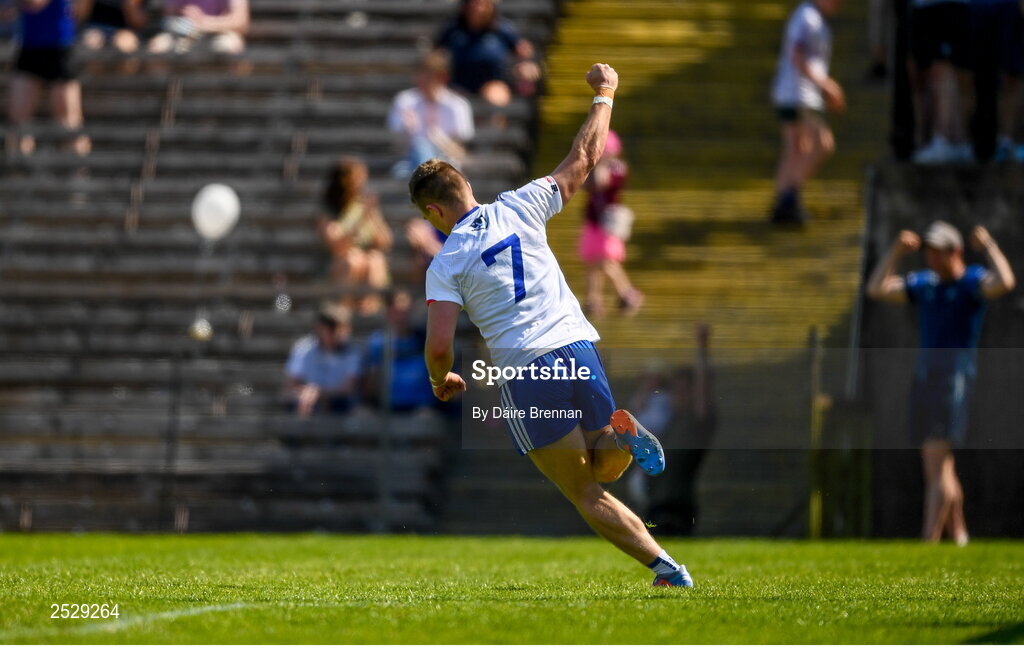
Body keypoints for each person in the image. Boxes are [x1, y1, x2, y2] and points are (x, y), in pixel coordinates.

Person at [414, 63, 694, 588]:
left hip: (526, 367)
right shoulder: (521, 204)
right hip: (577, 343)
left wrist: (441, 378)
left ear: (434, 211)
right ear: (467, 185)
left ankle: (668, 569)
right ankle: (624, 440)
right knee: (605, 466)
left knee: (582, 489)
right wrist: (605, 93)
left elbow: (438, 345)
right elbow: (585, 159)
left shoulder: (446, 262)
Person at [866, 222, 1015, 544]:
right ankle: (959, 536)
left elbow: (1005, 281)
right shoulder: (925, 284)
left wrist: (988, 244)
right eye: (928, 253)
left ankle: (928, 540)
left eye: (938, 253)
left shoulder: (971, 283)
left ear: (956, 252)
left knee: (935, 467)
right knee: (942, 467)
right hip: (925, 379)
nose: (932, 259)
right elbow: (876, 288)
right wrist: (894, 251)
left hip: (952, 381)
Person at [770, 0, 845, 224]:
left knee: (795, 150)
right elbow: (797, 54)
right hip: (800, 94)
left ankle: (783, 205)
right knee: (822, 144)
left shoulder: (810, 17)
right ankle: (788, 196)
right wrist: (825, 85)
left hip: (793, 92)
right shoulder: (807, 17)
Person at [647, 323, 717, 536]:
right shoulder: (670, 418)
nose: (677, 395)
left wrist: (702, 347)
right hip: (655, 503)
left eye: (683, 390)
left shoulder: (697, 420)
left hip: (676, 506)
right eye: (674, 390)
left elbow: (703, 389)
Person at [6, 0, 91, 156]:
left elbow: (35, 3)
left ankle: (79, 174)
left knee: (69, 121)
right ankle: (20, 172)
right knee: (18, 121)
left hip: (60, 46)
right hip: (30, 46)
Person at [578, 129, 642, 318]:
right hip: (593, 220)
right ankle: (593, 300)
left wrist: (602, 163)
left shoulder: (618, 168)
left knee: (606, 260)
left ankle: (627, 292)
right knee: (592, 262)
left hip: (608, 222)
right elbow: (585, 185)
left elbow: (602, 182)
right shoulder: (593, 167)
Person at [317, 157, 393, 316]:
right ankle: (344, 310)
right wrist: (360, 220)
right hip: (336, 264)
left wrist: (371, 215)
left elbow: (385, 243)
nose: (362, 183)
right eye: (358, 178)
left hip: (365, 260)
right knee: (353, 260)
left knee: (375, 260)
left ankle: (370, 311)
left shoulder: (364, 207)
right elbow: (337, 246)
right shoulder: (330, 210)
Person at [434, 0, 541, 107]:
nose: (476, 8)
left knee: (496, 98)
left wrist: (526, 66)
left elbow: (523, 50)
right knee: (450, 101)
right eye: (472, 3)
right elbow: (435, 55)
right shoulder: (452, 29)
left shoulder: (502, 29)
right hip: (458, 84)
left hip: (492, 83)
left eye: (481, 4)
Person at [388, 50, 475, 179]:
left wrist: (436, 137)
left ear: (443, 77)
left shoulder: (457, 105)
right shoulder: (405, 101)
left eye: (429, 76)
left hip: (447, 163)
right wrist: (408, 131)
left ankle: (427, 179)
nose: (422, 80)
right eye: (421, 75)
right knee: (406, 165)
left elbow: (459, 151)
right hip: (410, 164)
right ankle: (428, 179)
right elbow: (397, 147)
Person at [908, 0, 973, 164]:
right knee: (921, 75)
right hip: (923, 8)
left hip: (948, 7)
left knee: (944, 71)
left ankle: (946, 139)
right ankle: (938, 140)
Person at [361, 290, 437, 414]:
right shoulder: (376, 343)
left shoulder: (426, 340)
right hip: (385, 405)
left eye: (405, 311)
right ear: (388, 313)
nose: (401, 317)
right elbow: (369, 383)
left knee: (426, 418)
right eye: (396, 312)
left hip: (421, 405)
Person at [967, 0, 1024, 162]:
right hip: (977, 9)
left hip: (1010, 8)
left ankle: (1007, 140)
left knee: (1012, 75)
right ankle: (980, 143)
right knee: (980, 78)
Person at [284, 302, 362, 418]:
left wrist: (320, 394)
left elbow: (349, 388)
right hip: (310, 402)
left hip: (342, 404)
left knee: (360, 413)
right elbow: (290, 385)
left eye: (336, 326)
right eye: (327, 325)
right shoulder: (303, 348)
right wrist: (306, 393)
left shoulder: (354, 352)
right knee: (302, 405)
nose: (332, 331)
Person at [148, 0, 248, 55]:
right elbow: (169, 17)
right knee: (158, 46)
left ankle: (231, 92)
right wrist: (187, 22)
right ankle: (166, 92)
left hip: (219, 33)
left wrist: (204, 22)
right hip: (184, 33)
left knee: (232, 45)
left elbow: (241, 22)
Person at [79, 0, 147, 54]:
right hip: (94, 29)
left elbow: (138, 23)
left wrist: (130, 4)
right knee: (92, 43)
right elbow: (79, 16)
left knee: (126, 45)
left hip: (123, 31)